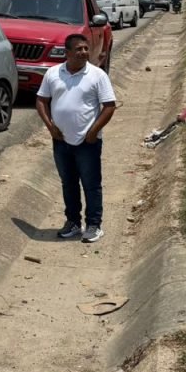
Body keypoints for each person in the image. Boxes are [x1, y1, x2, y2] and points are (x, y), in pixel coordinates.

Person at [35, 32, 117, 243]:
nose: (83, 53)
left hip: (87, 143)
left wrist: (92, 132)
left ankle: (93, 225)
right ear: (67, 52)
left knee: (91, 184)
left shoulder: (97, 75)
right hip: (61, 141)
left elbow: (109, 106)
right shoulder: (53, 73)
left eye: (86, 49)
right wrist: (50, 126)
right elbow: (41, 100)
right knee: (68, 183)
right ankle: (73, 222)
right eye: (79, 49)